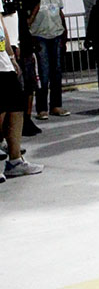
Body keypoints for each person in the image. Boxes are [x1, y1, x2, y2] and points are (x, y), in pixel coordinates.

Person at [24, 0, 68, 120]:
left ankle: (56, 105)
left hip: (55, 34)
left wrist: (65, 33)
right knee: (43, 73)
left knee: (56, 72)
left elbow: (59, 11)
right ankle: (41, 108)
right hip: (39, 36)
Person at [0, 15, 43, 181]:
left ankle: (15, 160)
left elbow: (2, 25)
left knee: (16, 107)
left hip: (3, 61)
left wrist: (10, 56)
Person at [1, 0, 41, 136]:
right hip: (7, 48)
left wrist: (29, 21)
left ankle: (27, 119)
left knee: (29, 85)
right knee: (12, 94)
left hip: (22, 43)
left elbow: (36, 2)